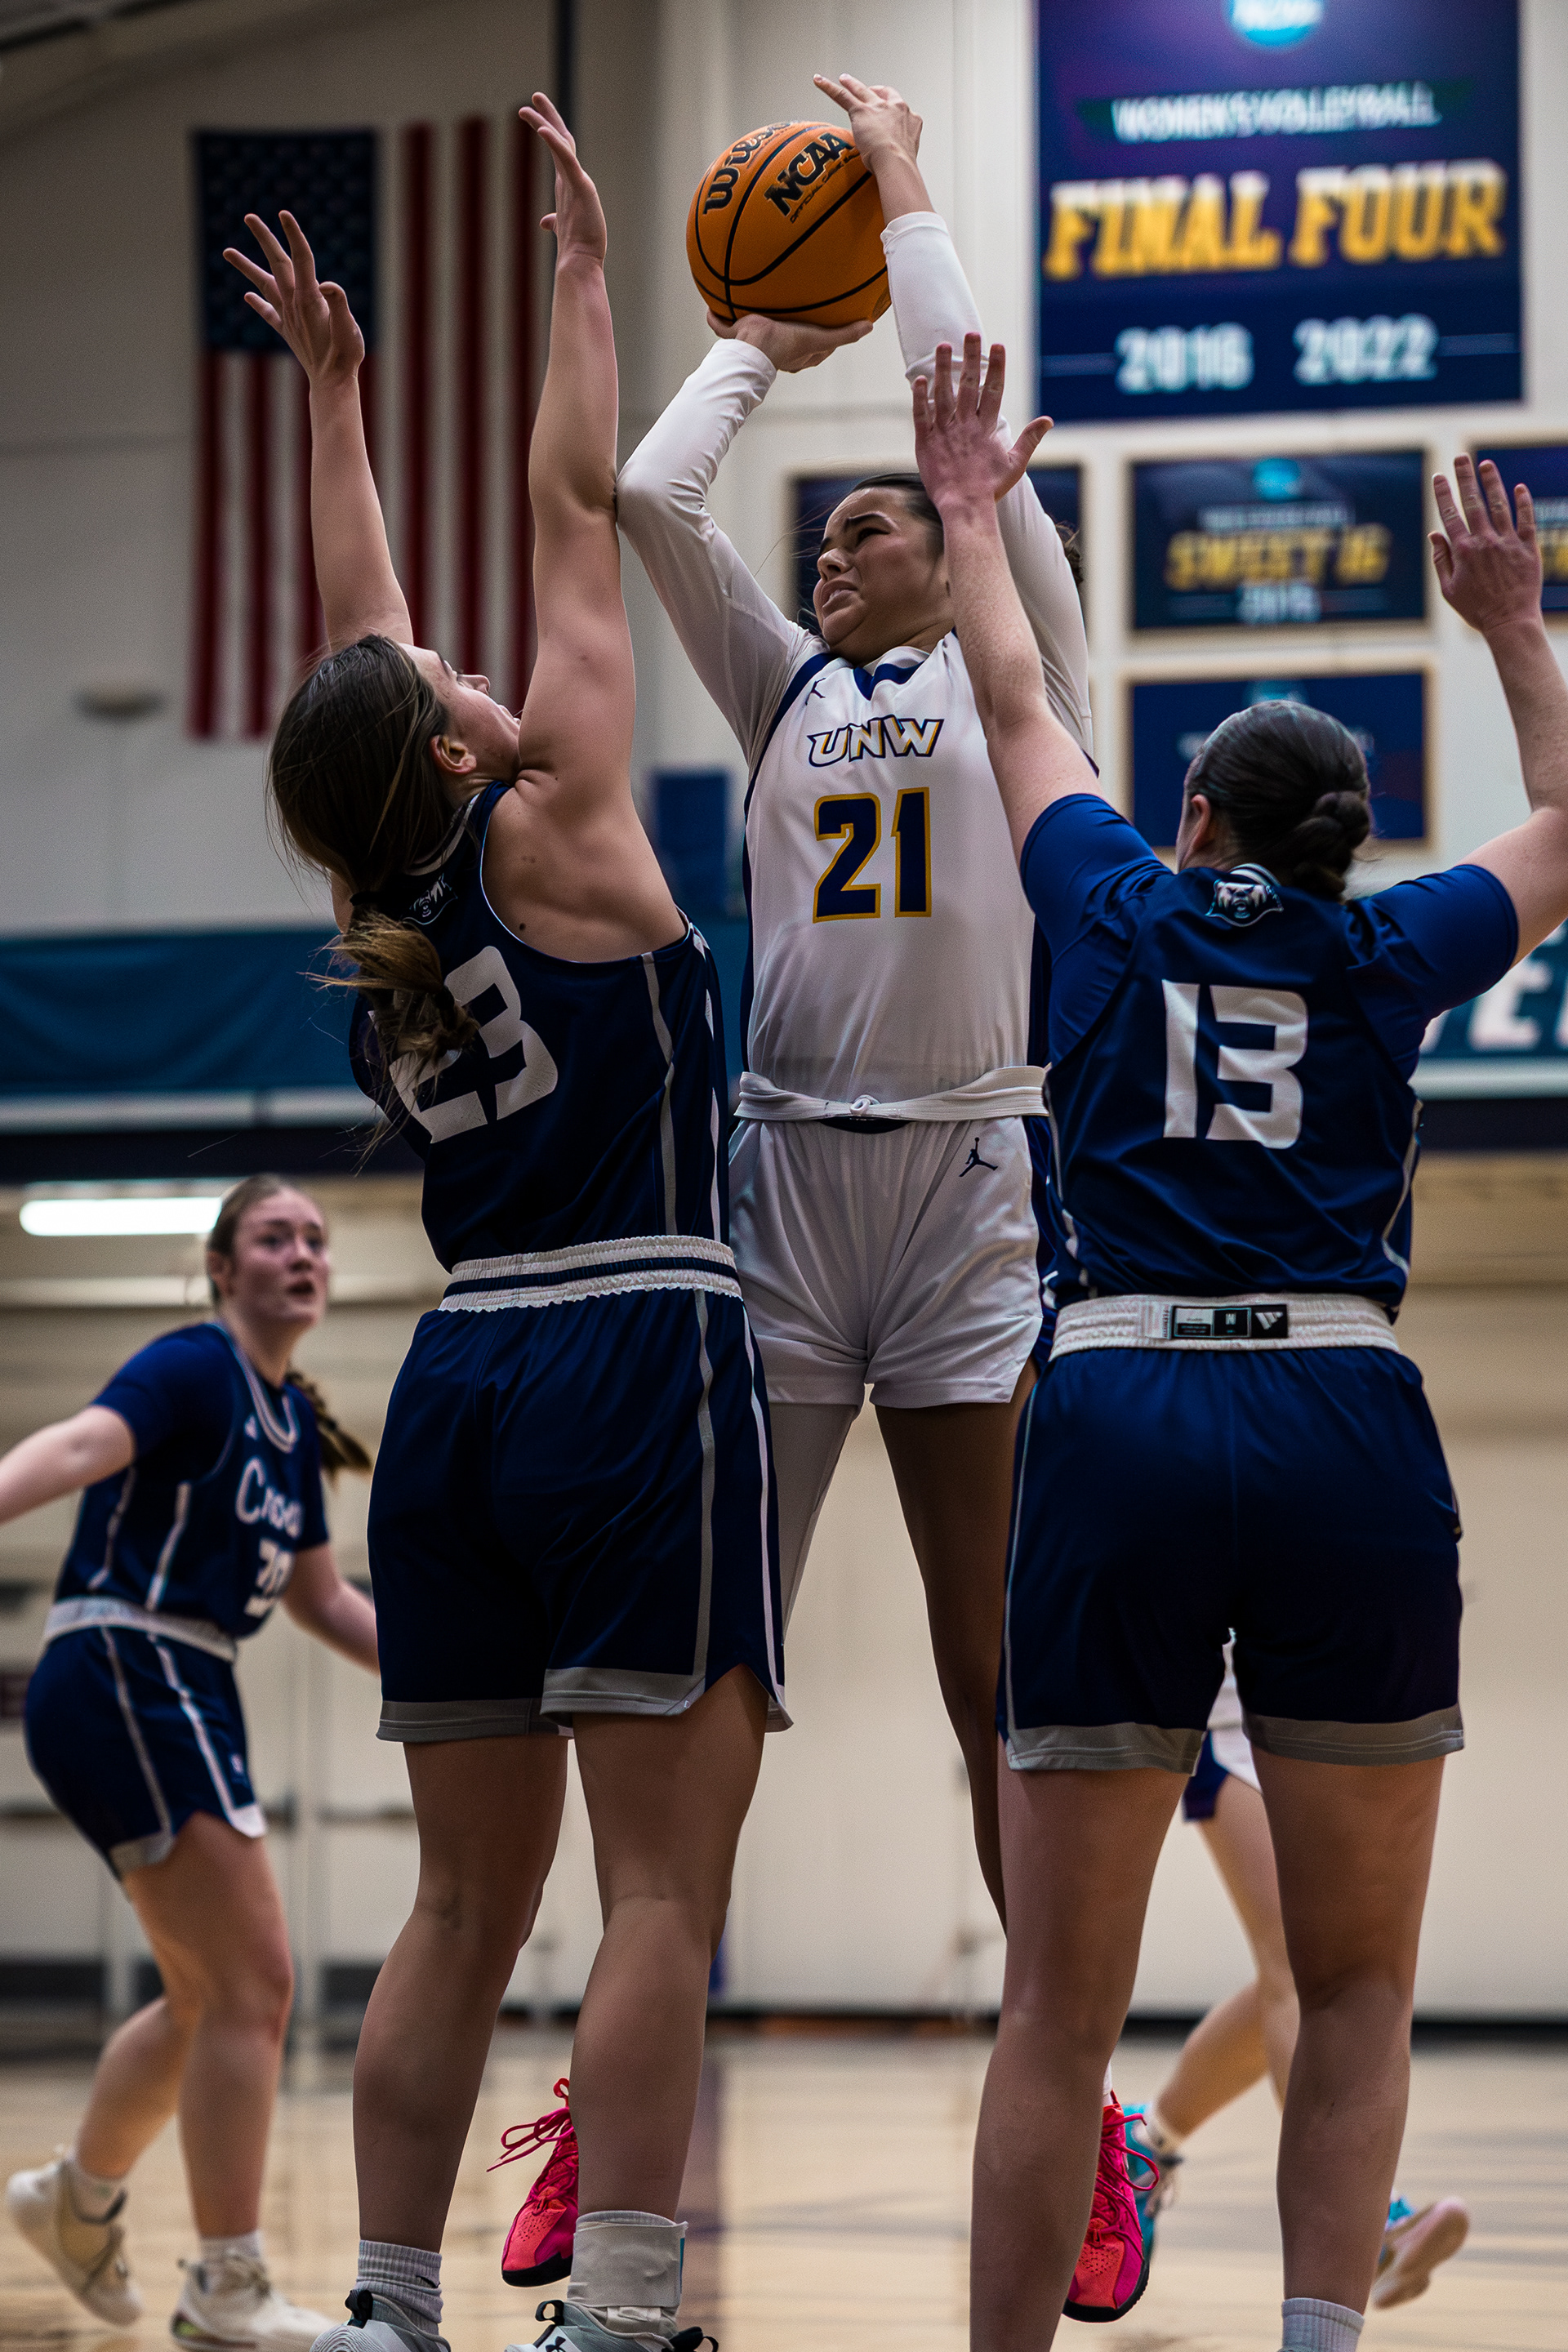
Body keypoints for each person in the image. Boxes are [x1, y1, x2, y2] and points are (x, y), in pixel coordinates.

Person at [911, 337, 1566, 2352]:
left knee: (1058, 2002)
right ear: (1345, 845)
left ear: (1191, 817)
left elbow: (1010, 697)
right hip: (1339, 1416)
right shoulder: (1387, 950)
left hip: (1118, 1399)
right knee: (1355, 1982)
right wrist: (1512, 627)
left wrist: (967, 510)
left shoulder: (1113, 902)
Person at [226, 93, 782, 2352]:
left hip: (459, 1376)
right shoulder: (560, 824)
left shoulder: (389, 893)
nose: (469, 658)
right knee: (656, 1891)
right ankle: (620, 2312)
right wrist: (579, 278)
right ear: (458, 747)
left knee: (459, 1908)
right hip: (638, 1351)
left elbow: (363, 648)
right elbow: (573, 510)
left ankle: (386, 2303)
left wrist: (338, 408)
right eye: (451, 681)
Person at [604, 75, 1143, 2326]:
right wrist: (754, 334)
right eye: (820, 536)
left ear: (954, 539)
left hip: (975, 1188)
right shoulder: (783, 685)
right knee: (714, 1659)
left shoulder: (1029, 667)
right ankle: (614, 2111)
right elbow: (650, 491)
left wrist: (903, 194)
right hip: (785, 1194)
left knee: (986, 1669)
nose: (832, 549)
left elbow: (960, 411)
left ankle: (1083, 2113)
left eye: (872, 527)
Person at [4, 1175, 377, 2351]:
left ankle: (76, 2200)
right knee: (257, 1983)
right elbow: (79, 1445)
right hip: (127, 1655)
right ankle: (226, 2284)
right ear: (223, 1268)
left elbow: (324, 1600)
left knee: (207, 1995)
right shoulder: (190, 1367)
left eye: (315, 1239)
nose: (302, 1255)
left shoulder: (293, 1431)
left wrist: (468, 1677)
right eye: (274, 1238)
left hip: (188, 1678)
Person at [1124, 1656, 1470, 2308]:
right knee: (1299, 1969)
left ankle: (1144, 2144)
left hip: (1326, 1707)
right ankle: (1370, 2220)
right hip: (1228, 1720)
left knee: (1316, 1973)